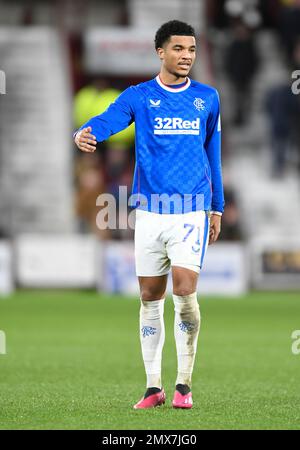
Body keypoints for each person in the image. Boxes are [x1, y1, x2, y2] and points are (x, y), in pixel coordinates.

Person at [74, 20, 225, 410]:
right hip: (149, 213)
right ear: (161, 52)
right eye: (178, 49)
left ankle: (184, 384)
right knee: (149, 296)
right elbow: (109, 119)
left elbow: (214, 155)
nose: (187, 56)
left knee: (185, 289)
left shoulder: (208, 98)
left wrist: (217, 206)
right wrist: (86, 131)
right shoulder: (139, 96)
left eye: (191, 49)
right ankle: (153, 386)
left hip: (190, 210)